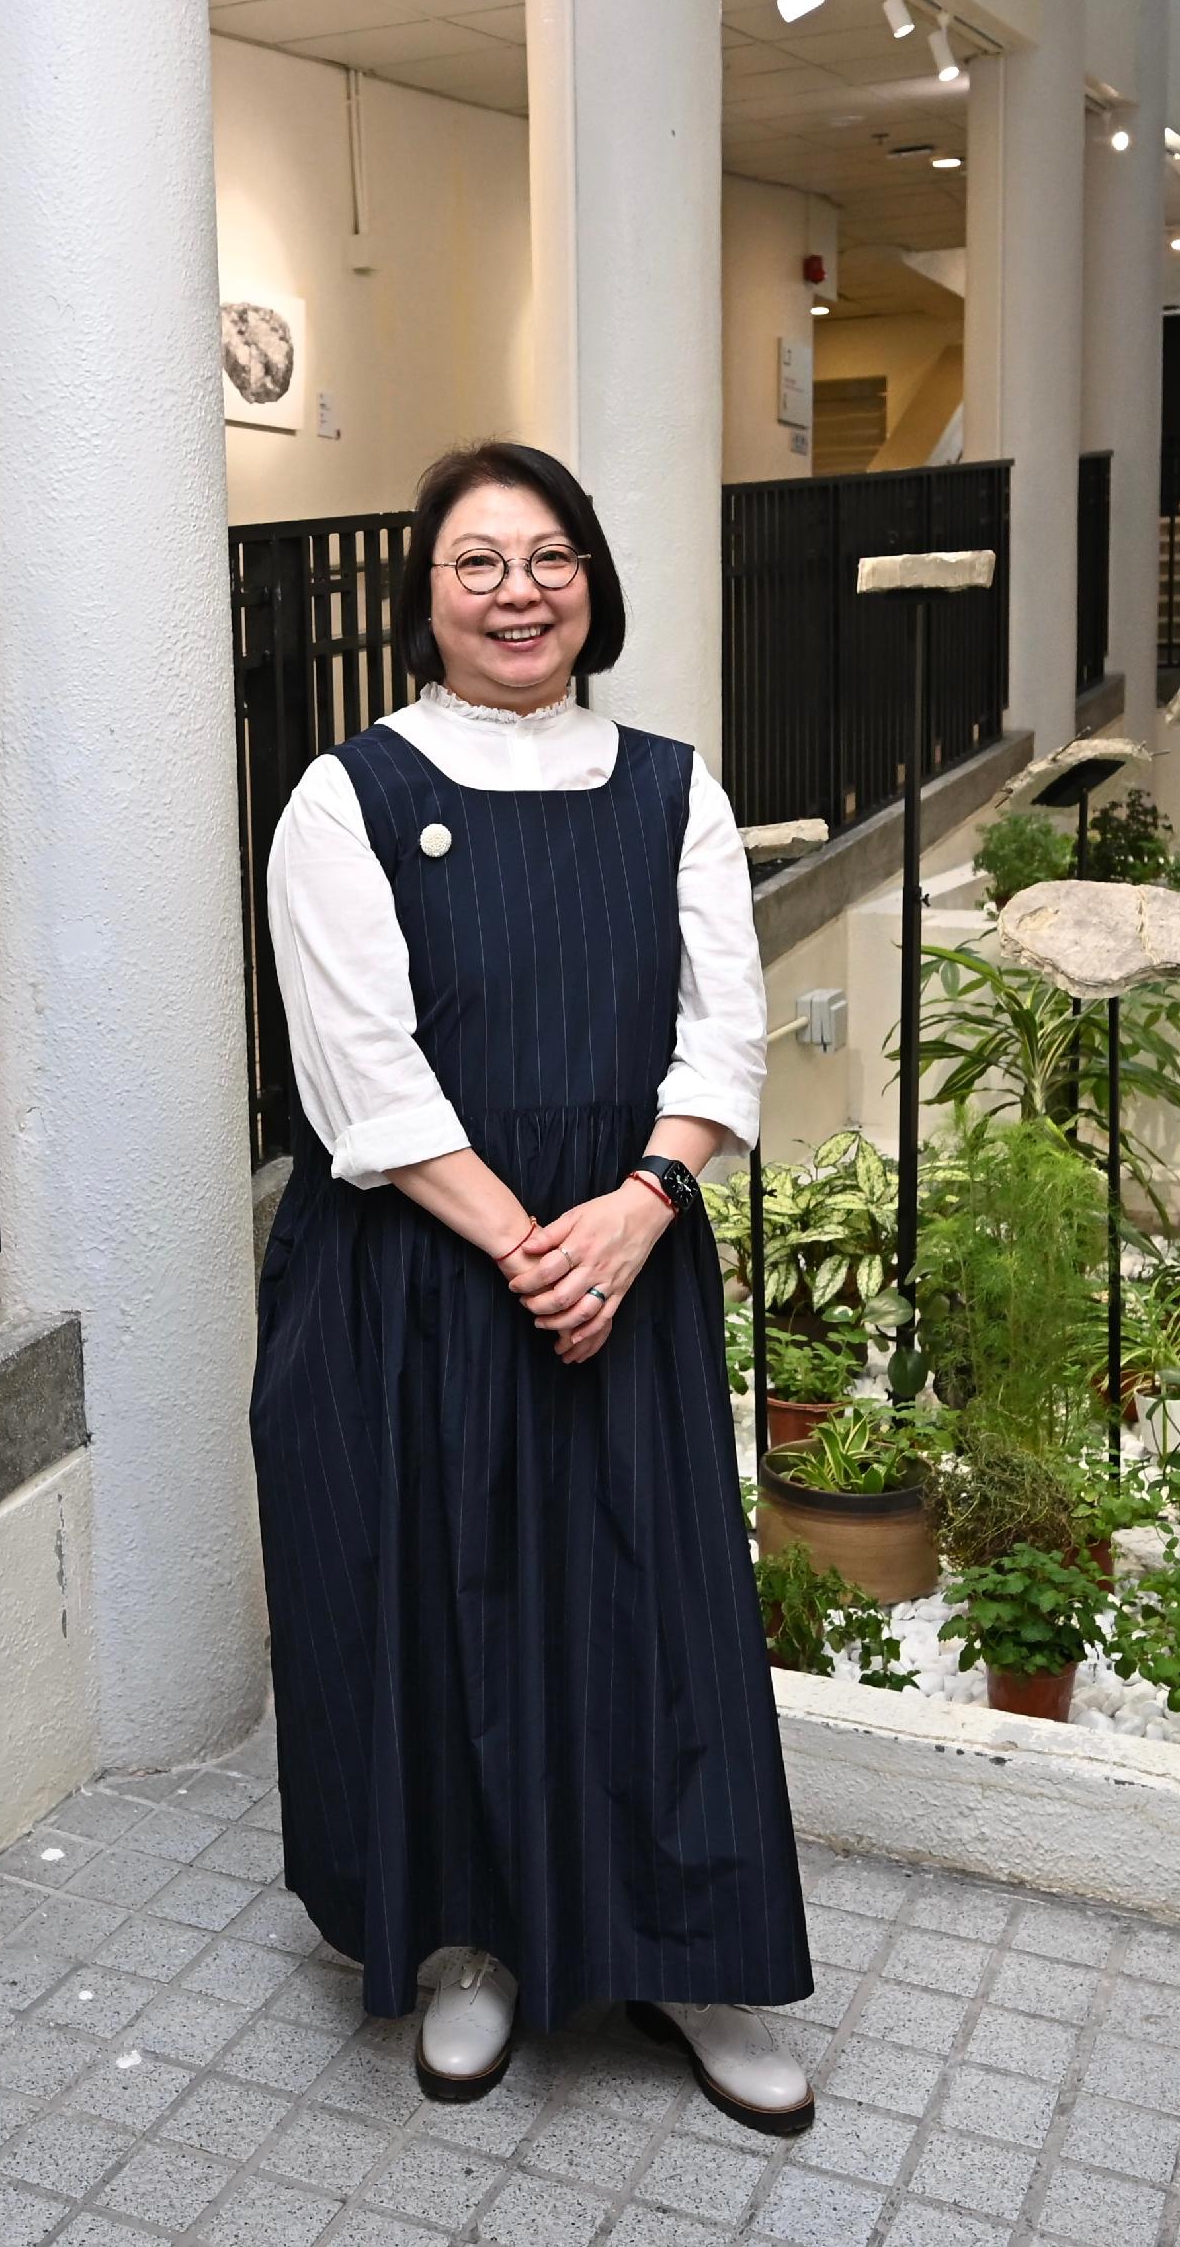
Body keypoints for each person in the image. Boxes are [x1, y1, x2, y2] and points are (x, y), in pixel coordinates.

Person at [252, 442, 816, 2136]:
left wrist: (639, 1209)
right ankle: (470, 1945)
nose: (518, 589)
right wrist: (523, 1242)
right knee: (453, 1594)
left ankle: (693, 1955)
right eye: (478, 561)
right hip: (423, 1268)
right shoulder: (344, 793)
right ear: (422, 595)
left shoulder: (673, 786)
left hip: (625, 1248)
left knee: (659, 1607)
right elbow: (362, 1071)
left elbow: (727, 1028)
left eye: (550, 555)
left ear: (594, 583)